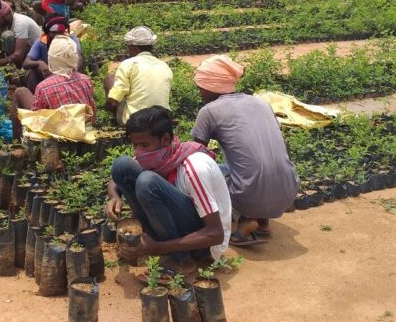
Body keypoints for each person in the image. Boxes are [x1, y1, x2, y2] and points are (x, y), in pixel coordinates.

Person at [190, 55, 300, 246]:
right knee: (246, 167)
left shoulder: (209, 111)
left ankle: (245, 222)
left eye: (200, 87)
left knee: (205, 173)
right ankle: (263, 222)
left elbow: (196, 155)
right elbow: (284, 149)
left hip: (250, 194)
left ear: (211, 86)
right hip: (289, 188)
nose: (199, 93)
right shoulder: (260, 103)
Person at [105, 106, 231, 274]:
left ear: (165, 139)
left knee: (147, 181)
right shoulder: (157, 156)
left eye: (144, 145)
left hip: (205, 244)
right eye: (135, 145)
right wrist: (114, 196)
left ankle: (183, 260)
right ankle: (150, 240)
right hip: (178, 227)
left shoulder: (194, 168)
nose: (139, 152)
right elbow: (116, 179)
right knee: (122, 165)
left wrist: (156, 248)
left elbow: (215, 234)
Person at [13, 35, 96, 117]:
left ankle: (19, 131)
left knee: (20, 92)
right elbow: (92, 113)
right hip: (81, 126)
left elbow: (37, 119)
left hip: (54, 129)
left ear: (50, 59)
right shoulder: (86, 80)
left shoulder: (43, 87)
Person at [105, 26, 172, 125]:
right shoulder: (164, 66)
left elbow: (114, 100)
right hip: (161, 117)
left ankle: (120, 121)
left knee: (109, 79)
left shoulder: (129, 64)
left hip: (136, 119)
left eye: (128, 47)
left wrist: (107, 107)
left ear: (134, 47)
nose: (127, 51)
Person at [23, 14, 82, 92]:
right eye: (54, 33)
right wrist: (39, 63)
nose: (57, 36)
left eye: (60, 32)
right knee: (32, 73)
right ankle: (35, 97)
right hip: (48, 75)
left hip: (68, 74)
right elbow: (26, 63)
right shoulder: (41, 42)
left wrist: (70, 72)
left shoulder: (71, 38)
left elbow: (79, 57)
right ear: (48, 32)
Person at [0, 0, 42, 68]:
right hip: (24, 50)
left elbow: (18, 54)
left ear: (6, 14)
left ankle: (20, 68)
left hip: (34, 55)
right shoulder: (7, 22)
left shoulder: (20, 23)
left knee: (8, 36)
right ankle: (0, 63)